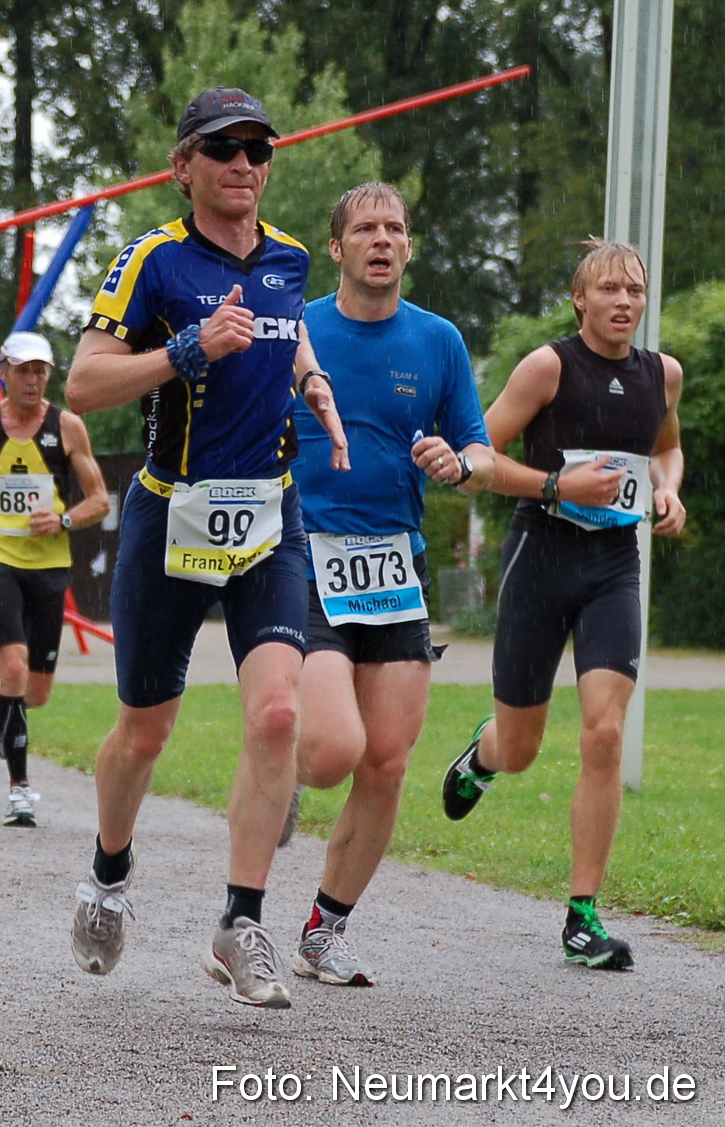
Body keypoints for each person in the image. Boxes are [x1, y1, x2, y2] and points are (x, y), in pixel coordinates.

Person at [60, 88, 348, 1007]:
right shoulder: (154, 260)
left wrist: (310, 379)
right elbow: (84, 382)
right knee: (146, 730)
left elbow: (287, 327)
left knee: (274, 717)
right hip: (171, 515)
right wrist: (187, 349)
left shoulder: (292, 259)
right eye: (224, 148)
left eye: (259, 149)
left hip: (270, 515)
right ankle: (108, 875)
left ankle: (240, 921)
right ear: (184, 165)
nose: (245, 164)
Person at [441, 238, 685, 971]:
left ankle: (582, 915)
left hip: (613, 565)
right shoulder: (549, 366)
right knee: (521, 748)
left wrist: (669, 488)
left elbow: (667, 449)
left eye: (634, 291)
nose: (623, 302)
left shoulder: (661, 374)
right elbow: (476, 456)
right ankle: (484, 752)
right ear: (580, 298)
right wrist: (555, 486)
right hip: (539, 557)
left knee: (604, 733)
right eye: (608, 289)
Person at [282, 183, 495, 986]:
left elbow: (476, 449)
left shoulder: (438, 340)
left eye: (395, 228)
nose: (382, 239)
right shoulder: (297, 329)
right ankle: (285, 765)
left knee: (389, 760)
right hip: (302, 553)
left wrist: (457, 462)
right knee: (335, 749)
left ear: (409, 248)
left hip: (392, 565)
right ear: (336, 248)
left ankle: (323, 929)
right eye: (365, 228)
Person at [0, 331, 110, 827]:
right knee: (14, 669)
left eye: (41, 371)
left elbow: (99, 500)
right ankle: (19, 790)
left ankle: (2, 705)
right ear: (4, 370)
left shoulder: (67, 427)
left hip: (49, 566)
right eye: (24, 370)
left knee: (35, 693)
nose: (33, 380)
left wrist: (65, 520)